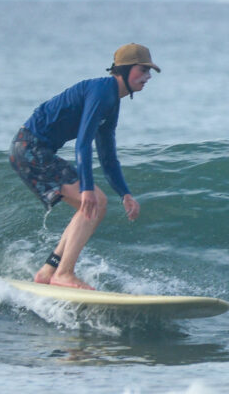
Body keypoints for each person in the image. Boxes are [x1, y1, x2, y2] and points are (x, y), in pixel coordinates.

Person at [9, 43, 159, 290]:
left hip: (31, 150)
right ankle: (64, 273)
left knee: (91, 207)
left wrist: (125, 194)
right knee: (94, 202)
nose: (148, 76)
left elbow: (108, 157)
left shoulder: (111, 102)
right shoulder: (102, 92)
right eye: (143, 70)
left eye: (149, 71)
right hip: (30, 148)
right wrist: (87, 187)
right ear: (124, 69)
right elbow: (82, 143)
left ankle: (49, 270)